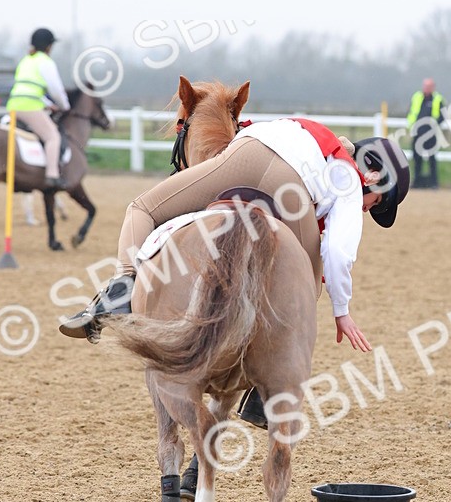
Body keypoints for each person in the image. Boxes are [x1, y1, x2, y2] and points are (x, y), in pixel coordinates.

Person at [59, 117, 410, 416]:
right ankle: (265, 391)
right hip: (292, 188)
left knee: (143, 208)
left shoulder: (309, 133)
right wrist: (342, 310)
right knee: (303, 282)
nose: (368, 209)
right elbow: (338, 251)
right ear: (373, 174)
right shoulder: (349, 182)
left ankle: (121, 290)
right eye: (375, 200)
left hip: (247, 152)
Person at [5, 28, 71, 189]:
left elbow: (29, 88)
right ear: (49, 46)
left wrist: (48, 105)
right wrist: (65, 106)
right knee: (52, 136)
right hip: (30, 107)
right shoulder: (46, 62)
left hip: (13, 105)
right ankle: (52, 175)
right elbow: (56, 90)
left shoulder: (26, 60)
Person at [406, 77, 445, 189]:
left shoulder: (438, 99)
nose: (427, 88)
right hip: (417, 133)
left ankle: (433, 183)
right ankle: (417, 182)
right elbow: (411, 112)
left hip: (431, 134)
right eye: (425, 86)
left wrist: (433, 125)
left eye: (429, 86)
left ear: (433, 87)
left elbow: (443, 116)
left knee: (432, 158)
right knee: (417, 158)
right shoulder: (417, 97)